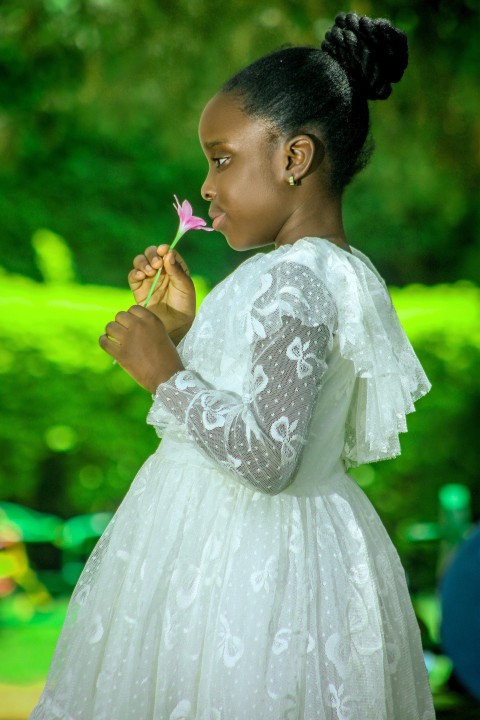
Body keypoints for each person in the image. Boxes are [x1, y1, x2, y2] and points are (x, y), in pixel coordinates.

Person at [31, 12, 436, 720]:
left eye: (221, 159)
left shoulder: (293, 280)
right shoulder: (321, 271)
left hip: (247, 568)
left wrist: (165, 373)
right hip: (283, 548)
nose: (207, 186)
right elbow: (262, 409)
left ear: (295, 158)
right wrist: (182, 331)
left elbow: (269, 456)